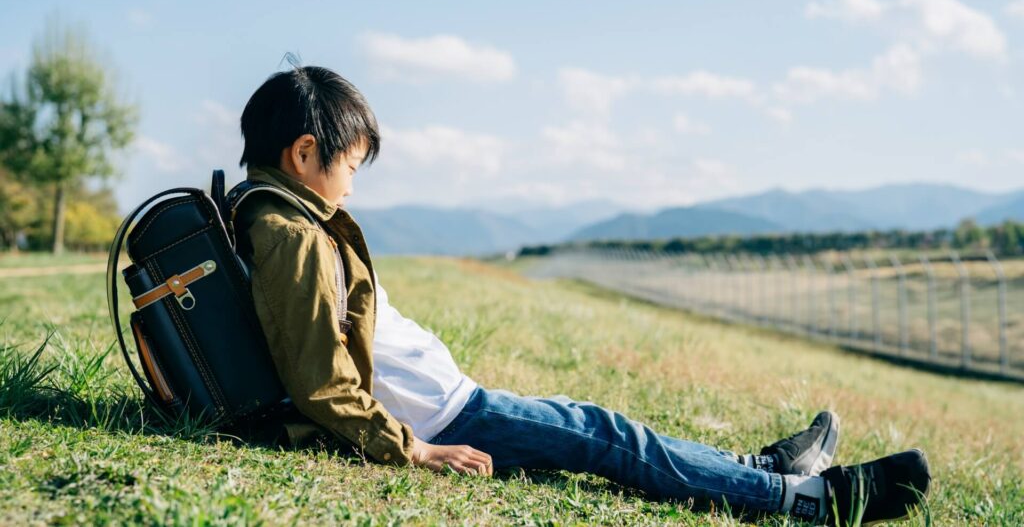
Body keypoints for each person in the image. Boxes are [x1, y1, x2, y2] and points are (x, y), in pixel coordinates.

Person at [232, 64, 931, 526]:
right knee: (607, 436)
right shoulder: (289, 234)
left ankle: (759, 469)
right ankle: (804, 500)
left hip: (447, 403)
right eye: (350, 164)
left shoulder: (285, 218)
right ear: (303, 154)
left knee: (604, 429)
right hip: (443, 418)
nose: (353, 181)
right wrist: (410, 449)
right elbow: (321, 380)